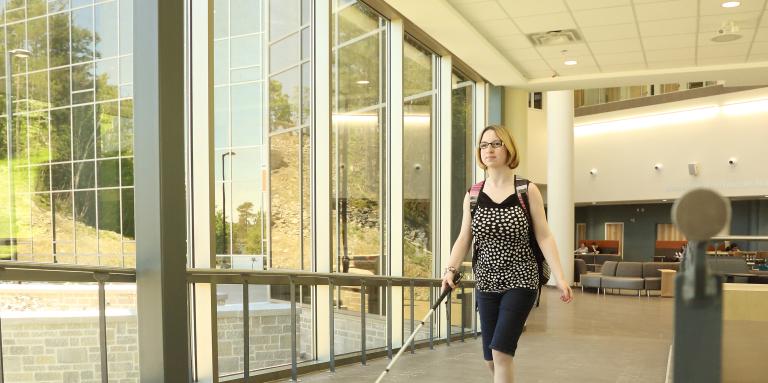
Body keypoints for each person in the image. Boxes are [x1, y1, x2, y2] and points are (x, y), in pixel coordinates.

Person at [441, 125, 573, 383]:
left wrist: (561, 277)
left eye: (496, 144)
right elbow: (464, 237)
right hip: (486, 281)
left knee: (501, 352)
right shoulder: (473, 194)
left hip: (521, 279)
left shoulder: (526, 190)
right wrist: (450, 270)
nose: (489, 149)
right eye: (484, 145)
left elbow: (544, 235)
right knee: (491, 360)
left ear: (508, 148)